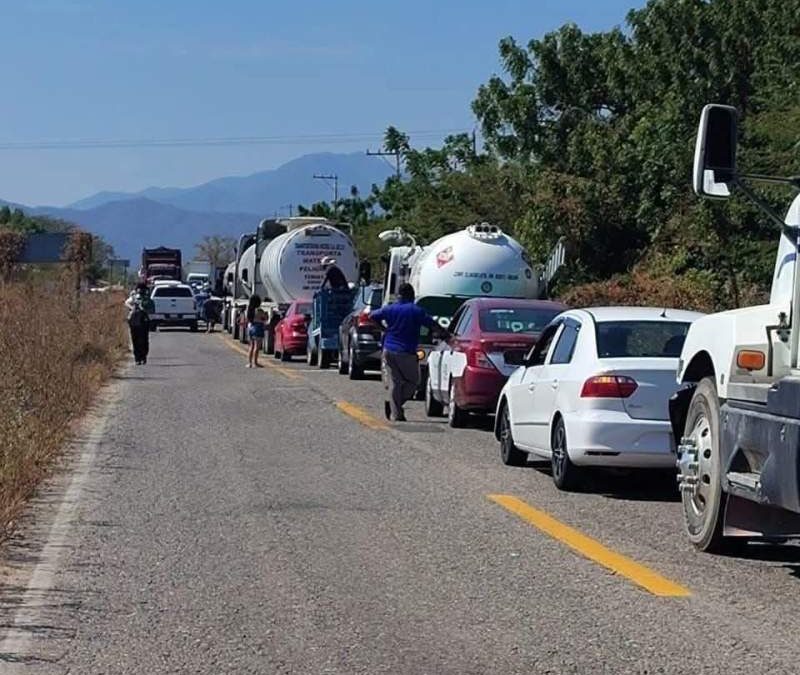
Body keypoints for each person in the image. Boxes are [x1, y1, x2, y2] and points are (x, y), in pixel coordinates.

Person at [368, 282, 449, 422]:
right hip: (406, 352)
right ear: (412, 295)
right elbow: (432, 324)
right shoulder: (415, 310)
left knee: (396, 382)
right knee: (413, 382)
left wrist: (383, 329)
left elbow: (371, 316)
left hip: (388, 350)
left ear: (399, 295)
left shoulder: (390, 309)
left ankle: (395, 407)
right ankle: (396, 408)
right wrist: (446, 334)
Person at [124, 283, 155, 365]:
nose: (140, 291)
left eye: (142, 289)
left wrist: (144, 309)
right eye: (139, 289)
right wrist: (132, 308)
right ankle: (137, 358)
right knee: (135, 340)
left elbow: (152, 310)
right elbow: (126, 303)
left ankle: (142, 356)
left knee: (143, 340)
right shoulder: (134, 298)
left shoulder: (148, 300)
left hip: (143, 321)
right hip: (134, 322)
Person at [246, 294, 266, 368]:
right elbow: (265, 318)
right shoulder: (259, 310)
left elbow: (248, 319)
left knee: (251, 346)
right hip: (258, 327)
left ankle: (249, 363)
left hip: (251, 327)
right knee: (257, 347)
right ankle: (255, 362)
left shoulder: (249, 310)